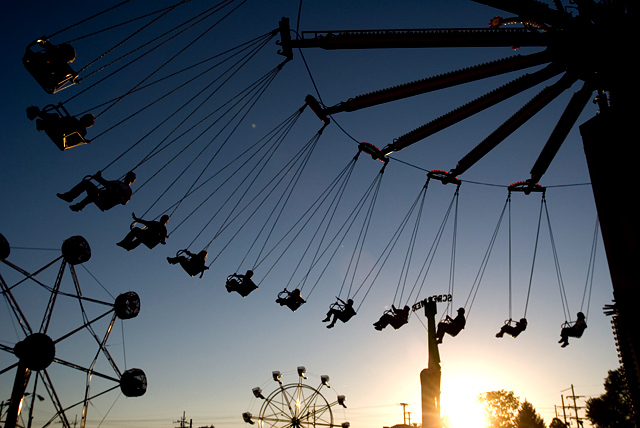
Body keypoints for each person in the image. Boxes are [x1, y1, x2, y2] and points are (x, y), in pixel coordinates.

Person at [57, 171, 136, 212]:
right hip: (101, 196)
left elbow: (124, 202)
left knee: (95, 194)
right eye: (127, 176)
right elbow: (106, 183)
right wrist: (98, 177)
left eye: (128, 177)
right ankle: (70, 197)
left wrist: (117, 194)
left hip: (106, 202)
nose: (126, 178)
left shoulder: (128, 190)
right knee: (87, 184)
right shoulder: (117, 182)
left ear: (131, 180)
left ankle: (79, 205)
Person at [27, 105, 95, 150]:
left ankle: (39, 118)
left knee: (55, 118)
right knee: (55, 117)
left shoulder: (81, 129)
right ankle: (39, 117)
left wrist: (84, 140)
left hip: (62, 135)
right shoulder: (76, 122)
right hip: (58, 130)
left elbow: (77, 139)